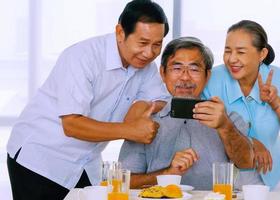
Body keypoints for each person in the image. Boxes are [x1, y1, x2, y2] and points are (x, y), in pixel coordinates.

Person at [6, 0, 170, 199]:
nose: (149, 53)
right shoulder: (82, 57)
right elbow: (72, 125)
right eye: (143, 43)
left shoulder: (147, 68)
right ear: (120, 32)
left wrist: (142, 106)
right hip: (41, 158)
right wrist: (131, 130)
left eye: (157, 45)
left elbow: (160, 99)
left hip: (85, 163)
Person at [119, 37, 254, 190]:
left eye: (194, 69)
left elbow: (246, 162)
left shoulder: (228, 119)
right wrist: (168, 174)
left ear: (207, 76)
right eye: (176, 68)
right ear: (162, 73)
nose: (184, 77)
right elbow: (124, 181)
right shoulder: (145, 120)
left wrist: (225, 126)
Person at [202, 20, 280, 193]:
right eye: (227, 51)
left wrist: (277, 102)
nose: (232, 59)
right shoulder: (212, 80)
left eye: (241, 52)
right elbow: (202, 130)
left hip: (269, 178)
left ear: (262, 54)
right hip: (222, 180)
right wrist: (251, 142)